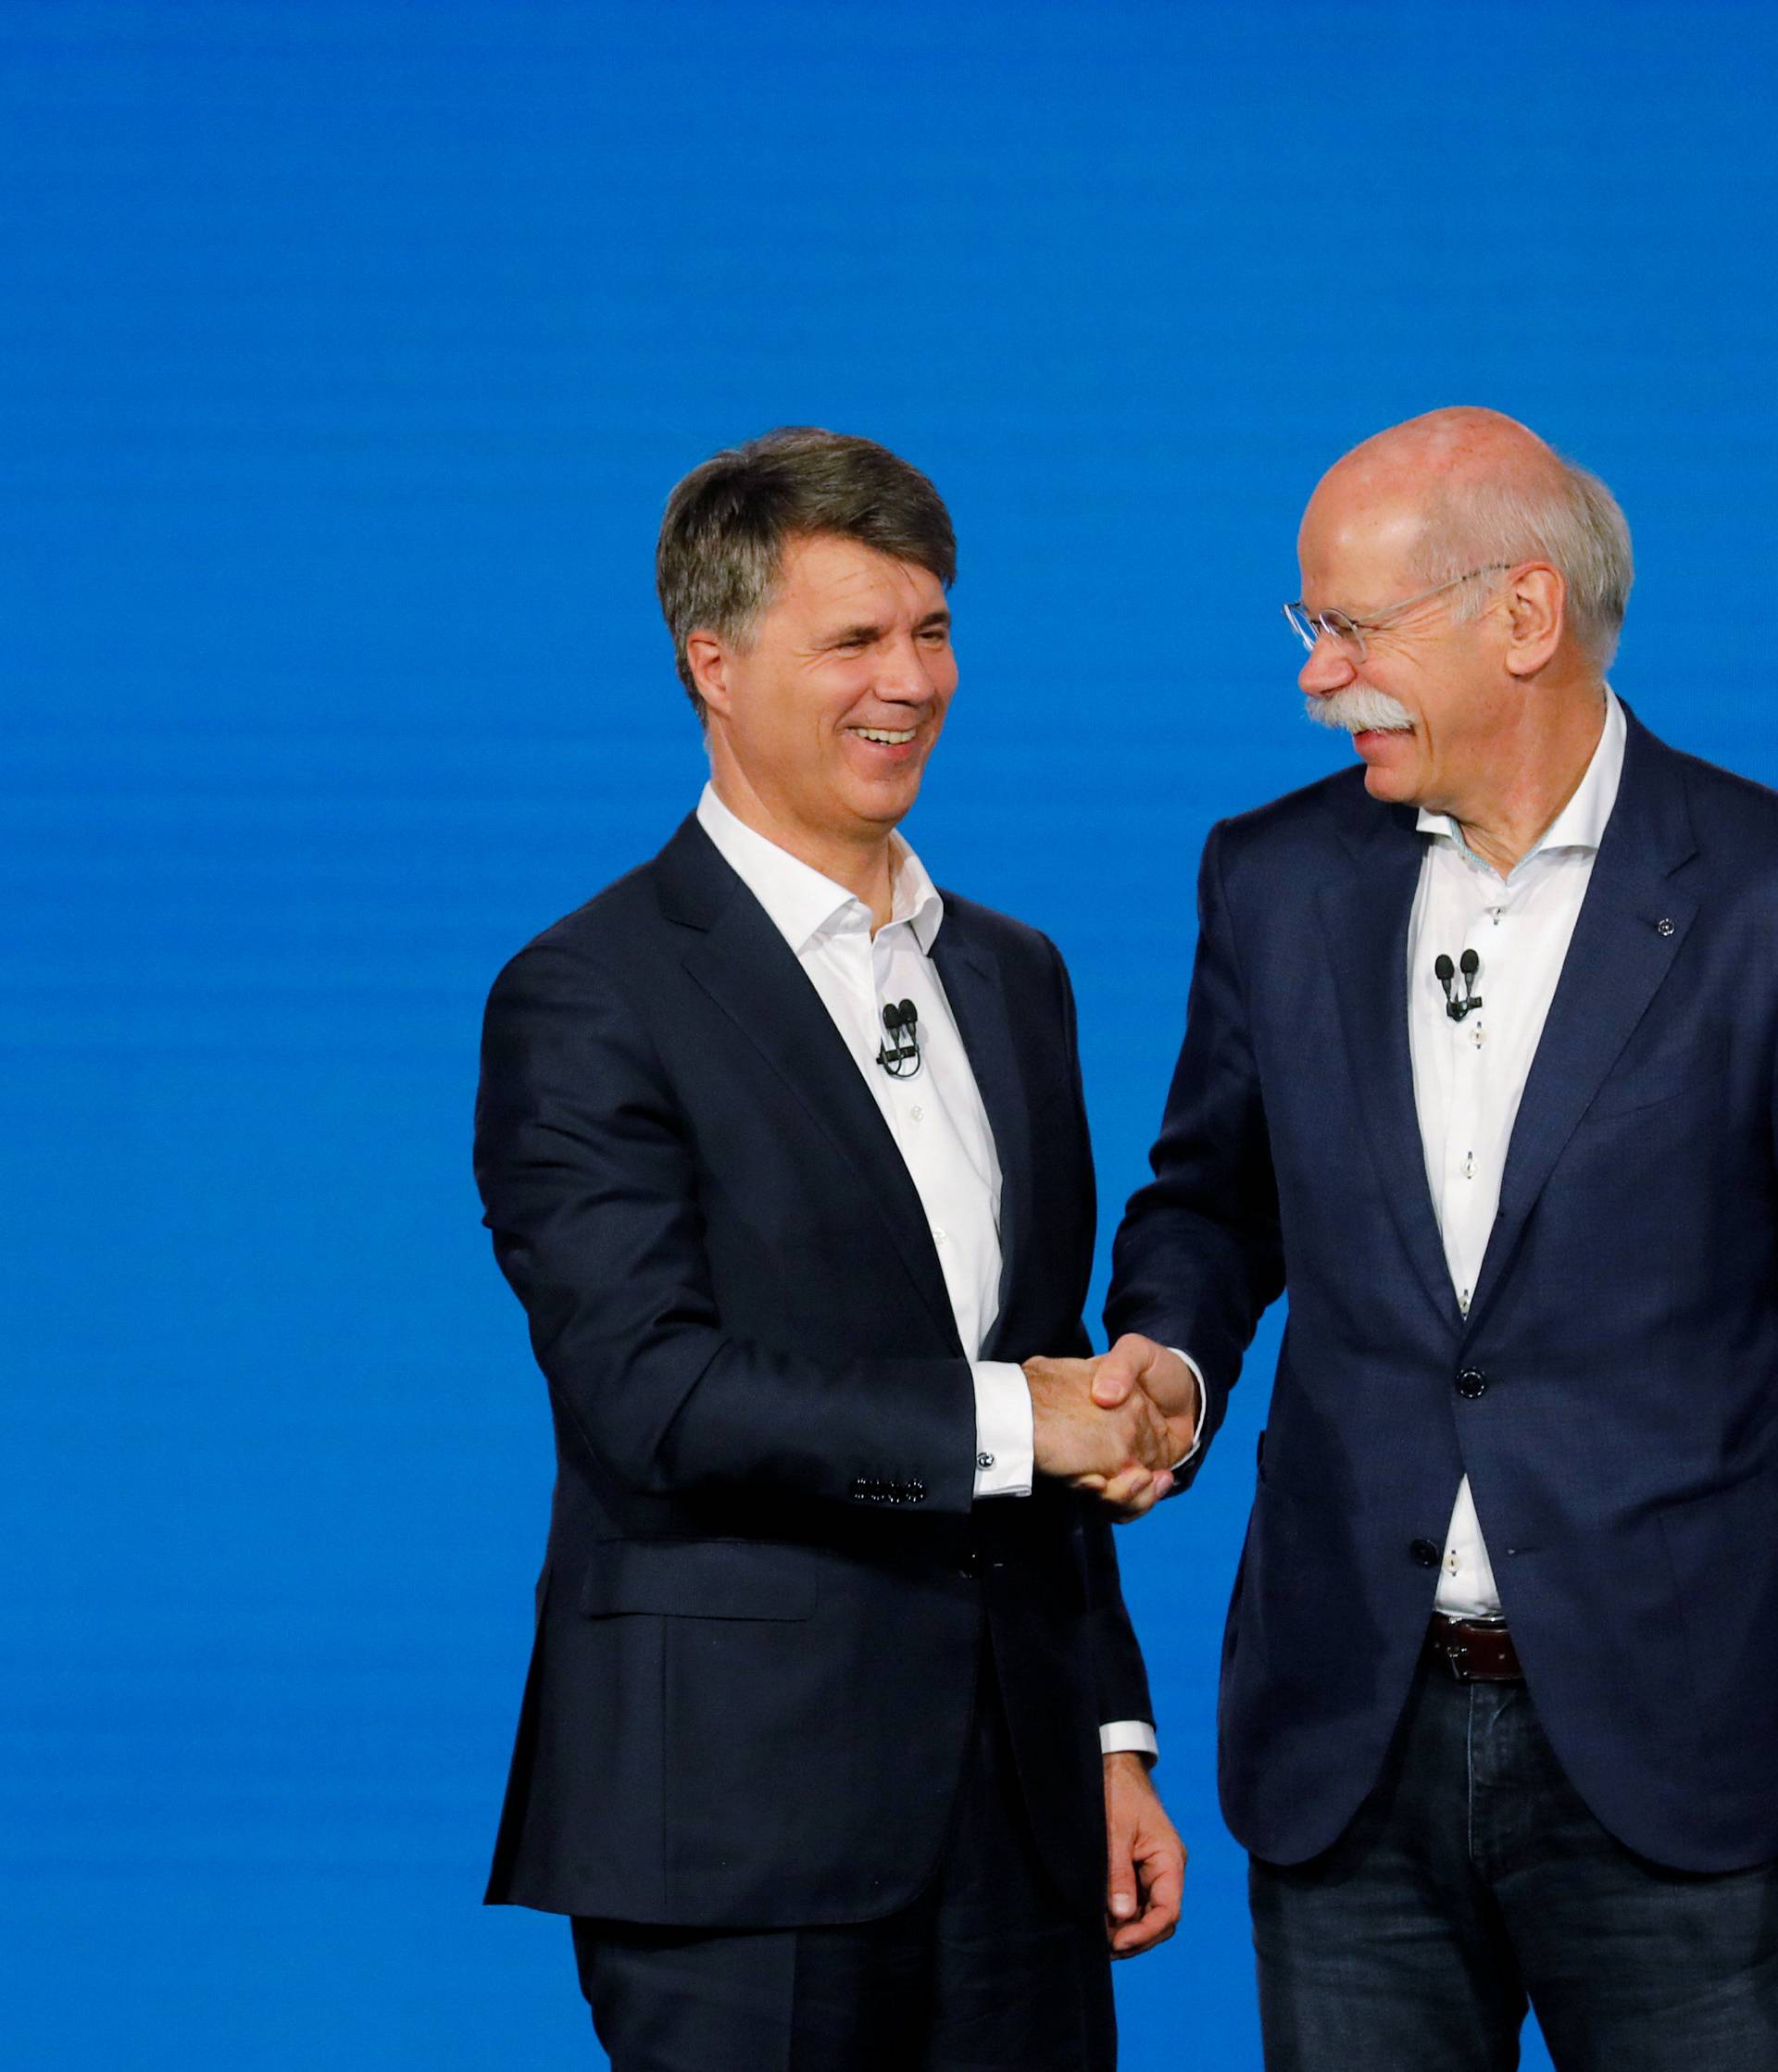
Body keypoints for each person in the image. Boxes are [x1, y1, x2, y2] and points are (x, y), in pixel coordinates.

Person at [473, 428, 1188, 2071]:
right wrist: (1027, 1421)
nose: (911, 680)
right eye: (854, 639)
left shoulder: (1017, 973)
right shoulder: (588, 994)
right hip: (739, 1830)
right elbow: (649, 1394)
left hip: (1017, 1817)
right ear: (709, 665)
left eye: (931, 630)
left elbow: (1048, 1343)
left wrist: (1105, 1731)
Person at [1096, 406, 1778, 2069]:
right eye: (1307, 626)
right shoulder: (1273, 878)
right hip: (1353, 1737)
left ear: (1523, 617)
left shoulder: (1760, 891)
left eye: (1351, 626)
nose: (1318, 675)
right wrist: (1171, 1360)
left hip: (1687, 1736)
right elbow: (1210, 1194)